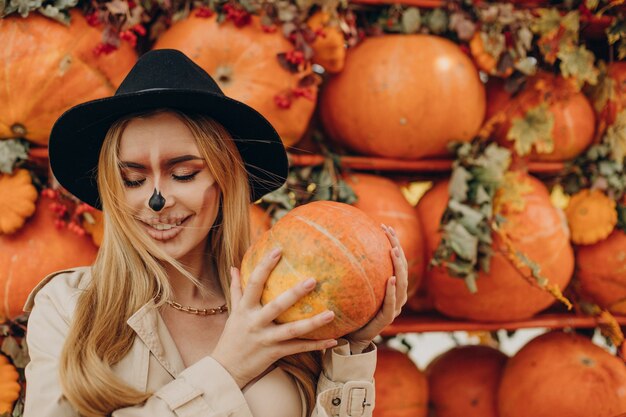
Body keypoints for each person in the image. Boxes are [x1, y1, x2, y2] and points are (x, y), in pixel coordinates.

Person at [22, 49, 408, 417]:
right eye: (133, 179)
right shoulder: (69, 309)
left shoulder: (284, 301)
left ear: (226, 179)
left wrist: (351, 348)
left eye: (183, 174)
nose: (156, 200)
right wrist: (227, 369)